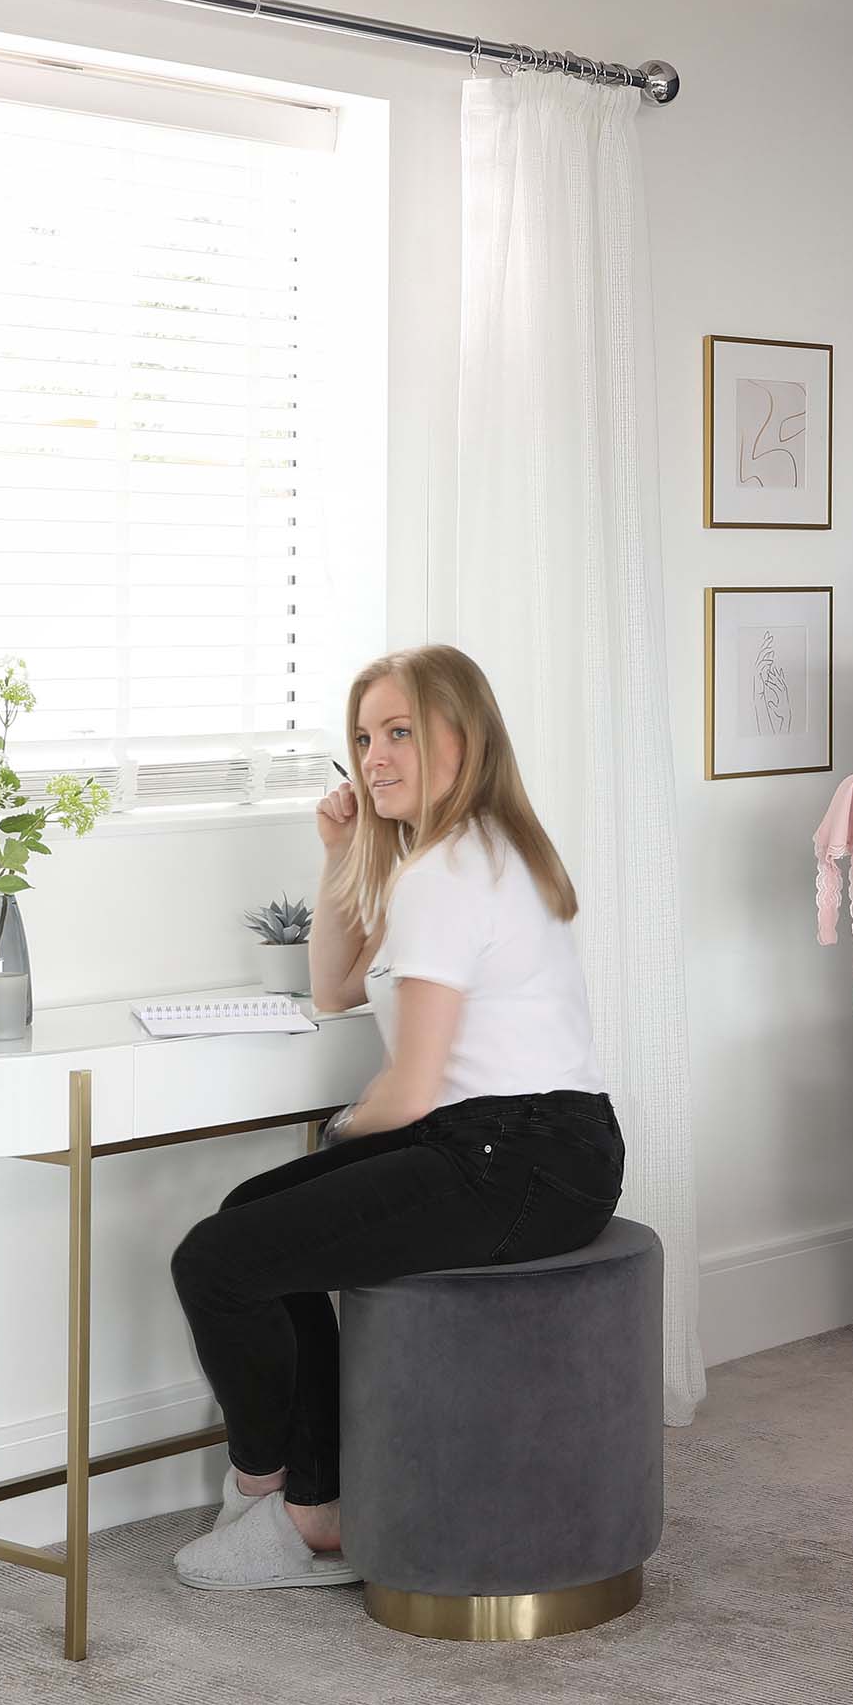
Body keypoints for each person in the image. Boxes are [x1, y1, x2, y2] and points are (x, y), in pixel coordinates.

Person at [168, 644, 625, 1592]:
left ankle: (280, 1496)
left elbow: (410, 1096)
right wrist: (341, 855)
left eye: (402, 732)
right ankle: (313, 1500)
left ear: (467, 737)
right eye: (366, 736)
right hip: (534, 1147)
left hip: (513, 1156)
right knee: (256, 1218)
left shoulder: (447, 874)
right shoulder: (461, 853)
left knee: (218, 1260)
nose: (375, 756)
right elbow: (334, 987)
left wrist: (338, 1141)